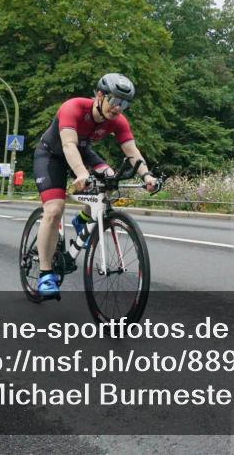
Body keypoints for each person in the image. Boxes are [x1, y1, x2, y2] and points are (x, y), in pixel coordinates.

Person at [32, 73, 158, 298]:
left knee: (110, 177)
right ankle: (45, 273)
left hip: (83, 153)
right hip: (52, 155)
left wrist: (146, 176)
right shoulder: (74, 107)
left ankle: (82, 220)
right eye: (116, 100)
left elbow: (132, 151)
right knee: (53, 210)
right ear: (100, 96)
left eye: (125, 103)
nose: (119, 108)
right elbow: (69, 145)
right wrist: (81, 174)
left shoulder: (117, 120)